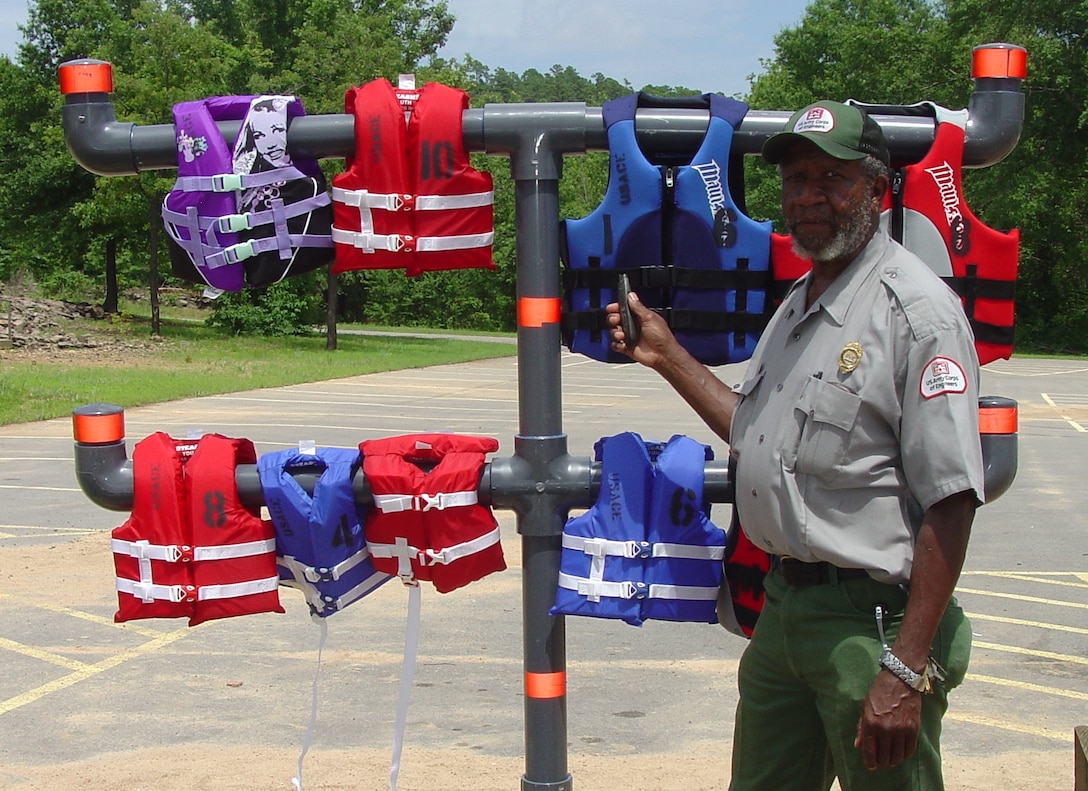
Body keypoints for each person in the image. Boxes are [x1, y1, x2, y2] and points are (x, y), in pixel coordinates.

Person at [606, 100, 983, 791]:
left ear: (877, 189)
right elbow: (755, 432)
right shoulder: (801, 302)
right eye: (796, 180)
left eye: (831, 178)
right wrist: (665, 354)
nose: (809, 197)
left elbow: (952, 500)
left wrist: (904, 667)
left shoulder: (917, 314)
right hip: (784, 612)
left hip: (869, 628)